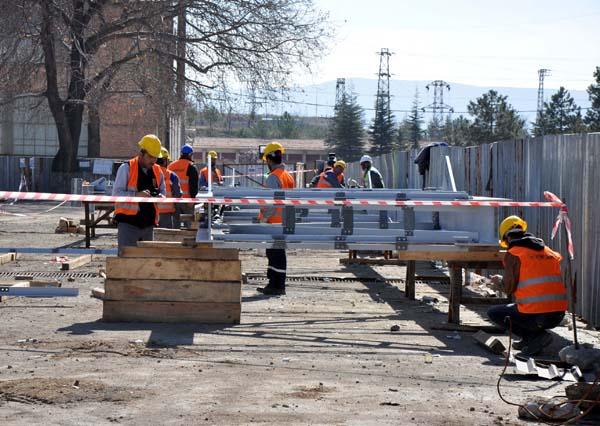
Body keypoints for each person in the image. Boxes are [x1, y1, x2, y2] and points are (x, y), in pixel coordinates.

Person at [487, 216, 568, 356]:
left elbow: (508, 288)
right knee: (520, 308)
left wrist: (497, 282)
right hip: (558, 314)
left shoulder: (515, 254)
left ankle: (535, 338)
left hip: (536, 315)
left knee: (494, 313)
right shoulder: (548, 251)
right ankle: (530, 339)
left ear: (507, 238)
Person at [112, 134, 166, 253]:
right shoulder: (126, 168)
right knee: (126, 262)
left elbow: (163, 193)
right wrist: (136, 196)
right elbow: (116, 194)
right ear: (141, 154)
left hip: (148, 225)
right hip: (128, 225)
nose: (154, 160)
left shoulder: (158, 171)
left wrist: (160, 197)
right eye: (151, 156)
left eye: (156, 157)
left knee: (147, 265)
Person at [256, 141, 295, 296]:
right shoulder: (288, 176)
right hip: (284, 221)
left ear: (270, 159)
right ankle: (275, 283)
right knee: (278, 253)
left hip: (274, 222)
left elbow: (272, 204)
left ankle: (276, 285)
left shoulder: (273, 177)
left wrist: (263, 219)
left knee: (274, 254)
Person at [168, 144, 199, 228]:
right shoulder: (191, 167)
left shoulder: (171, 166)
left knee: (175, 225)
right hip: (187, 200)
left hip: (174, 200)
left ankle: (175, 240)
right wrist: (192, 201)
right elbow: (193, 187)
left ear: (181, 154)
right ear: (190, 155)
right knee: (189, 225)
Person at [156, 147, 181, 229]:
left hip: (151, 213)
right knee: (165, 237)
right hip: (166, 213)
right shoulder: (171, 175)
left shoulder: (149, 172)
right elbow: (177, 194)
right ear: (165, 160)